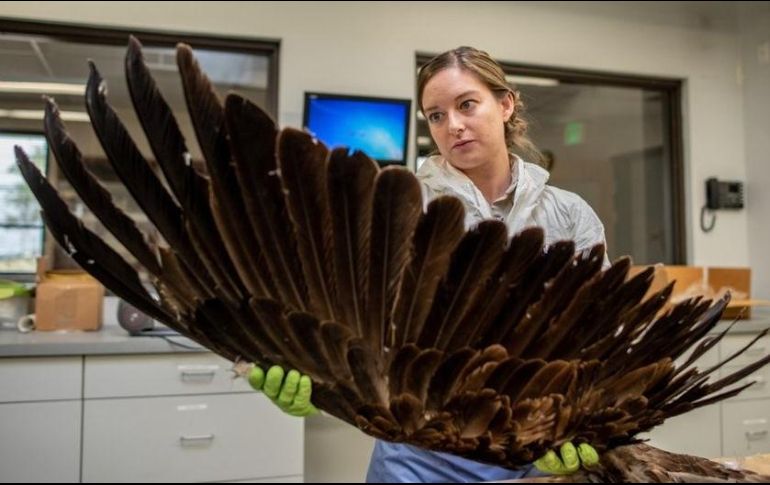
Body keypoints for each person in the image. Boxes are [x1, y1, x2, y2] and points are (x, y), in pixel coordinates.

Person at [249, 46, 609, 482]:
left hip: (533, 451)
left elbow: (599, 334)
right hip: (417, 457)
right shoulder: (397, 207)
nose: (452, 125)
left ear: (506, 103)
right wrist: (311, 368)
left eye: (466, 105)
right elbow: (352, 314)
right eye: (435, 116)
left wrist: (586, 420)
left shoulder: (570, 215)